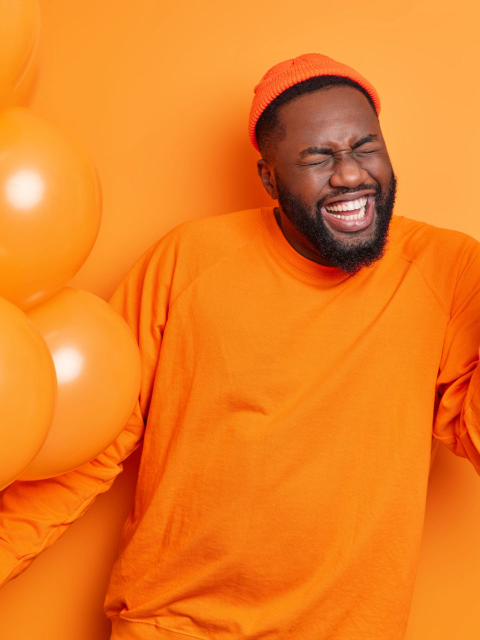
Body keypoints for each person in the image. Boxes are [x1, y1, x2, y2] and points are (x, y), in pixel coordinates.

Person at [1, 52, 480, 640]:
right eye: (318, 157)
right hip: (173, 626)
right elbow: (85, 442)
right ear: (269, 178)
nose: (352, 174)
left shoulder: (449, 272)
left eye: (365, 147)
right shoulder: (187, 261)